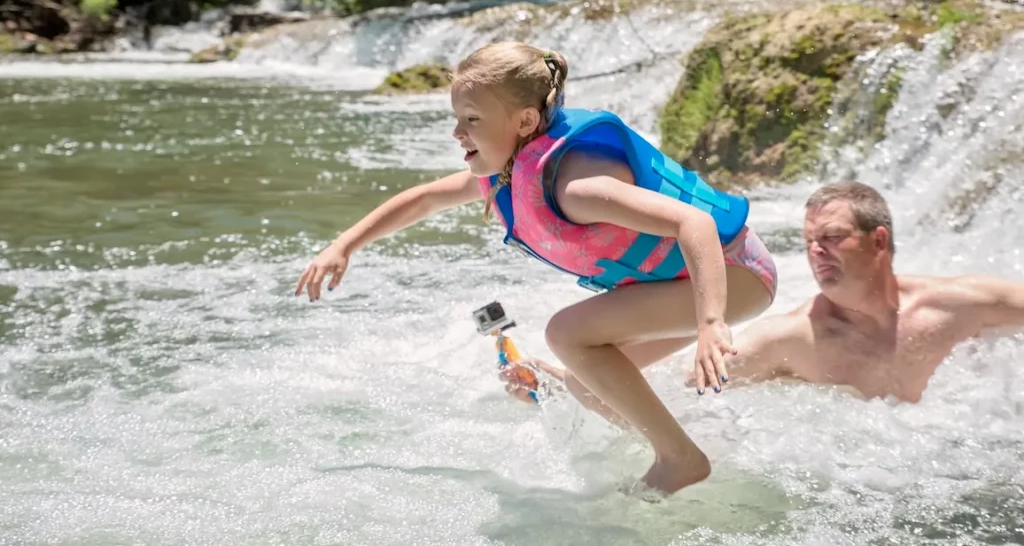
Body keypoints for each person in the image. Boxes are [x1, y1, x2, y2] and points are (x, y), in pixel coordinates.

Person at [295, 41, 779, 494]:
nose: (457, 132)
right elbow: (423, 200)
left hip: (732, 273)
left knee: (568, 332)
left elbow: (692, 223)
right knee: (585, 384)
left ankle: (679, 458)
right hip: (693, 280)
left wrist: (710, 321)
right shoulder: (506, 170)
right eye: (456, 117)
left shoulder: (576, 187)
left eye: (471, 119)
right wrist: (345, 244)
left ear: (525, 121)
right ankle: (696, 449)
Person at [513, 181, 1024, 405]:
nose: (816, 253)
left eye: (833, 240)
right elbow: (682, 393)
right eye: (808, 243)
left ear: (880, 241)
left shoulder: (959, 305)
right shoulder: (790, 339)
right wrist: (566, 386)